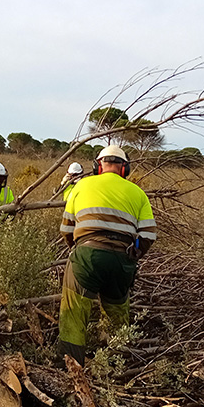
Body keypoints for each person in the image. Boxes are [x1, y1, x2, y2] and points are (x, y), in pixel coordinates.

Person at [58, 145, 156, 364]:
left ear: (97, 166)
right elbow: (148, 235)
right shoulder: (138, 193)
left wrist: (79, 249)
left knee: (73, 314)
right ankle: (114, 366)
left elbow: (66, 230)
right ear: (125, 169)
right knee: (117, 317)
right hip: (122, 261)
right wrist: (133, 254)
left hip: (87, 256)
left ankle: (70, 368)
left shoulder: (81, 186)